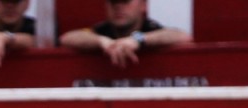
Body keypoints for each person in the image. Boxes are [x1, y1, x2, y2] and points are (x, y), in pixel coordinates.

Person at [59, 0, 190, 68]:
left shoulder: (151, 28)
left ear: (143, 5)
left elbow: (183, 36)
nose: (119, 7)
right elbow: (67, 38)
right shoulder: (102, 30)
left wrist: (137, 40)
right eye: (114, 2)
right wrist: (102, 42)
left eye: (125, 1)